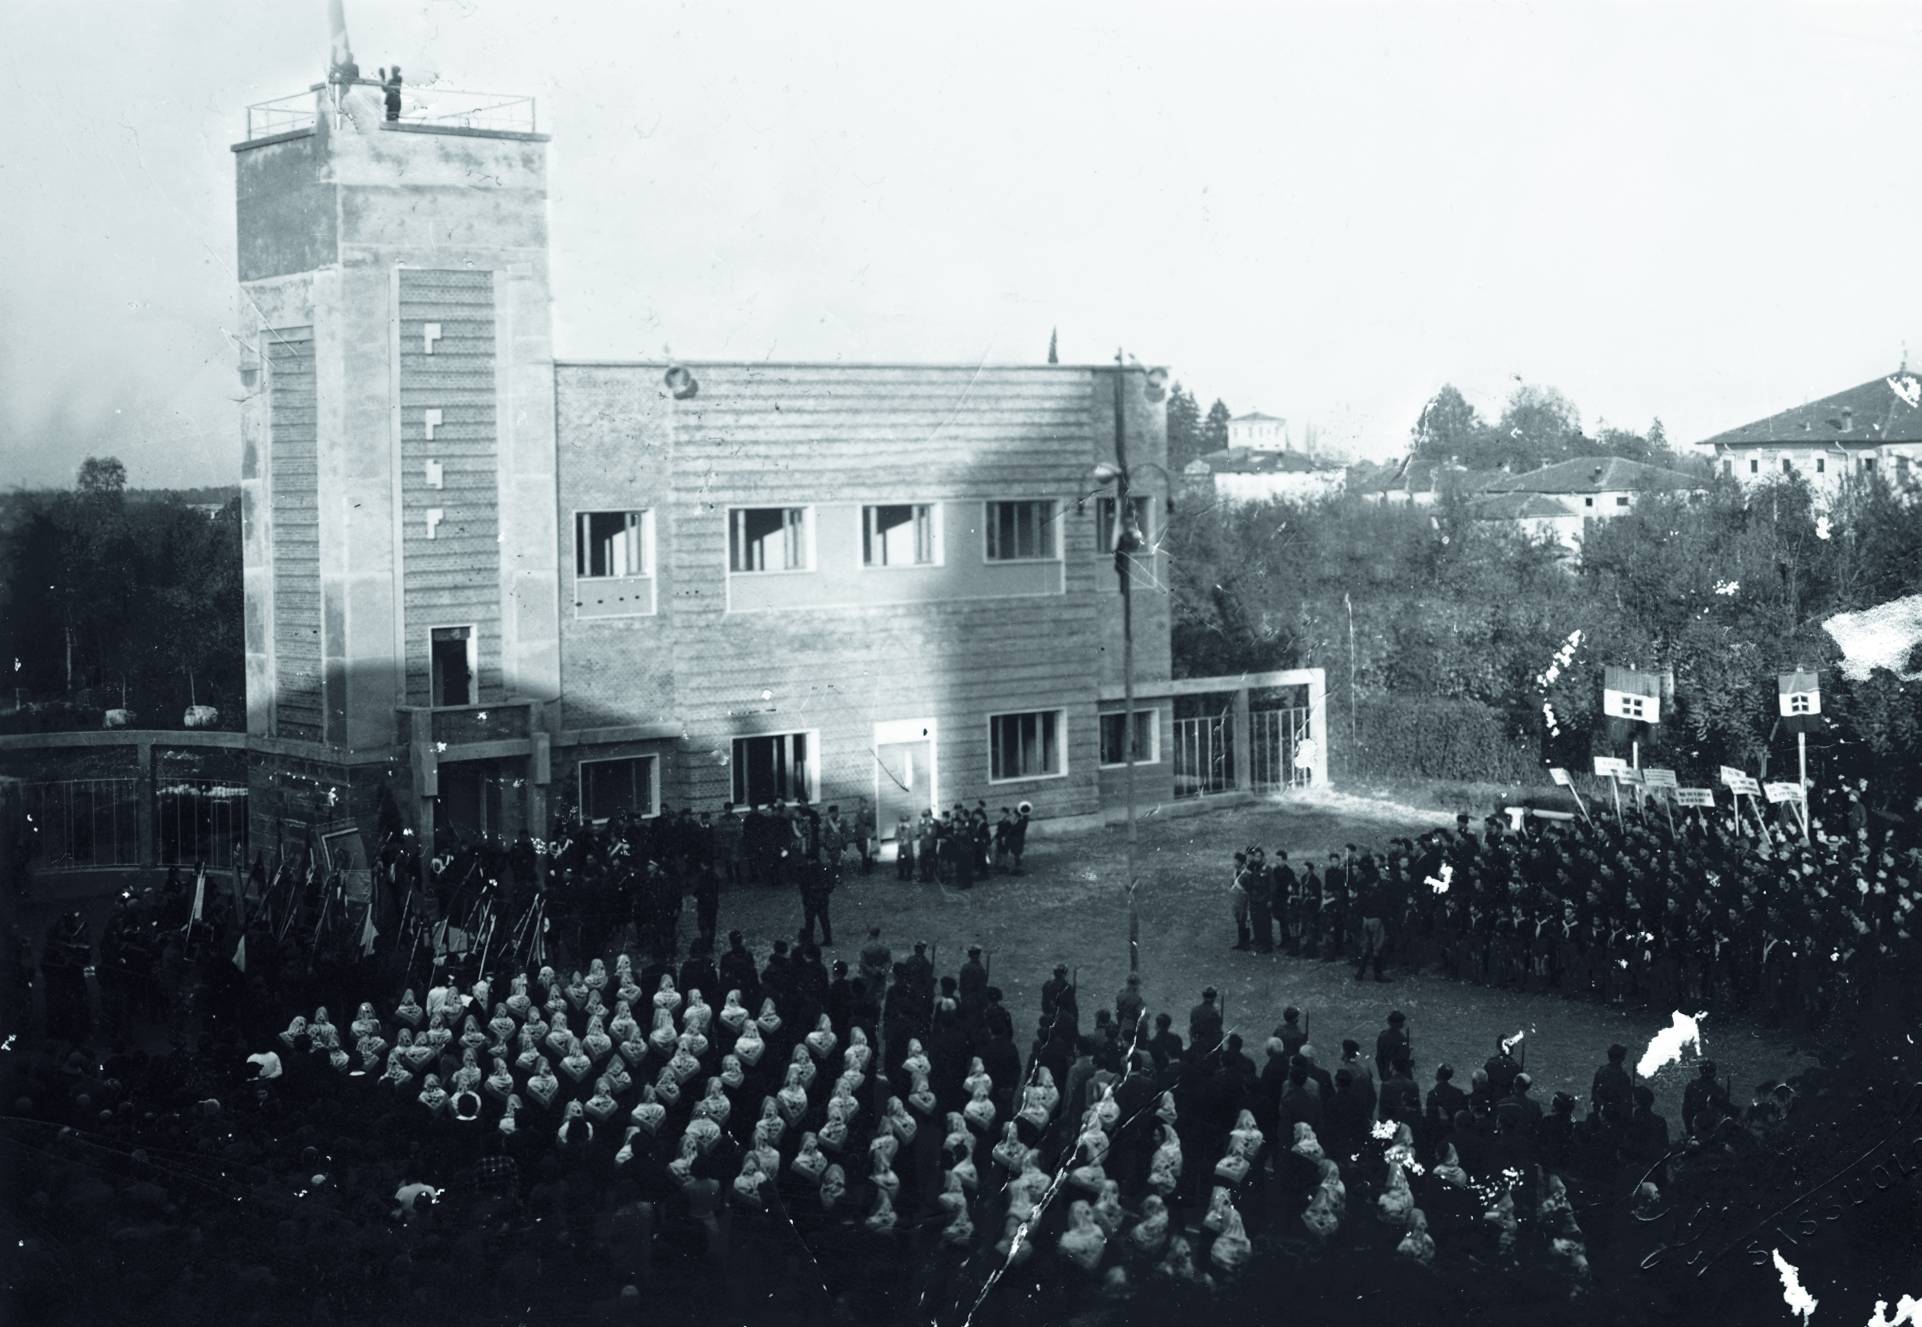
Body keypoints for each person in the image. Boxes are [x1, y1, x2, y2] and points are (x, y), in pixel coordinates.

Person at [1374, 1010, 1410, 1082]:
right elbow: (1404, 1056)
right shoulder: (1402, 1038)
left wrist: (1381, 1072)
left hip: (1387, 1069)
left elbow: (1379, 1057)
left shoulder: (1383, 1036)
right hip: (1398, 1070)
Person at [1188, 987, 1222, 1052]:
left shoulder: (1195, 1010)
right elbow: (1217, 1030)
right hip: (1209, 1044)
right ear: (1214, 997)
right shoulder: (1215, 1012)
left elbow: (1192, 1026)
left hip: (1196, 1042)